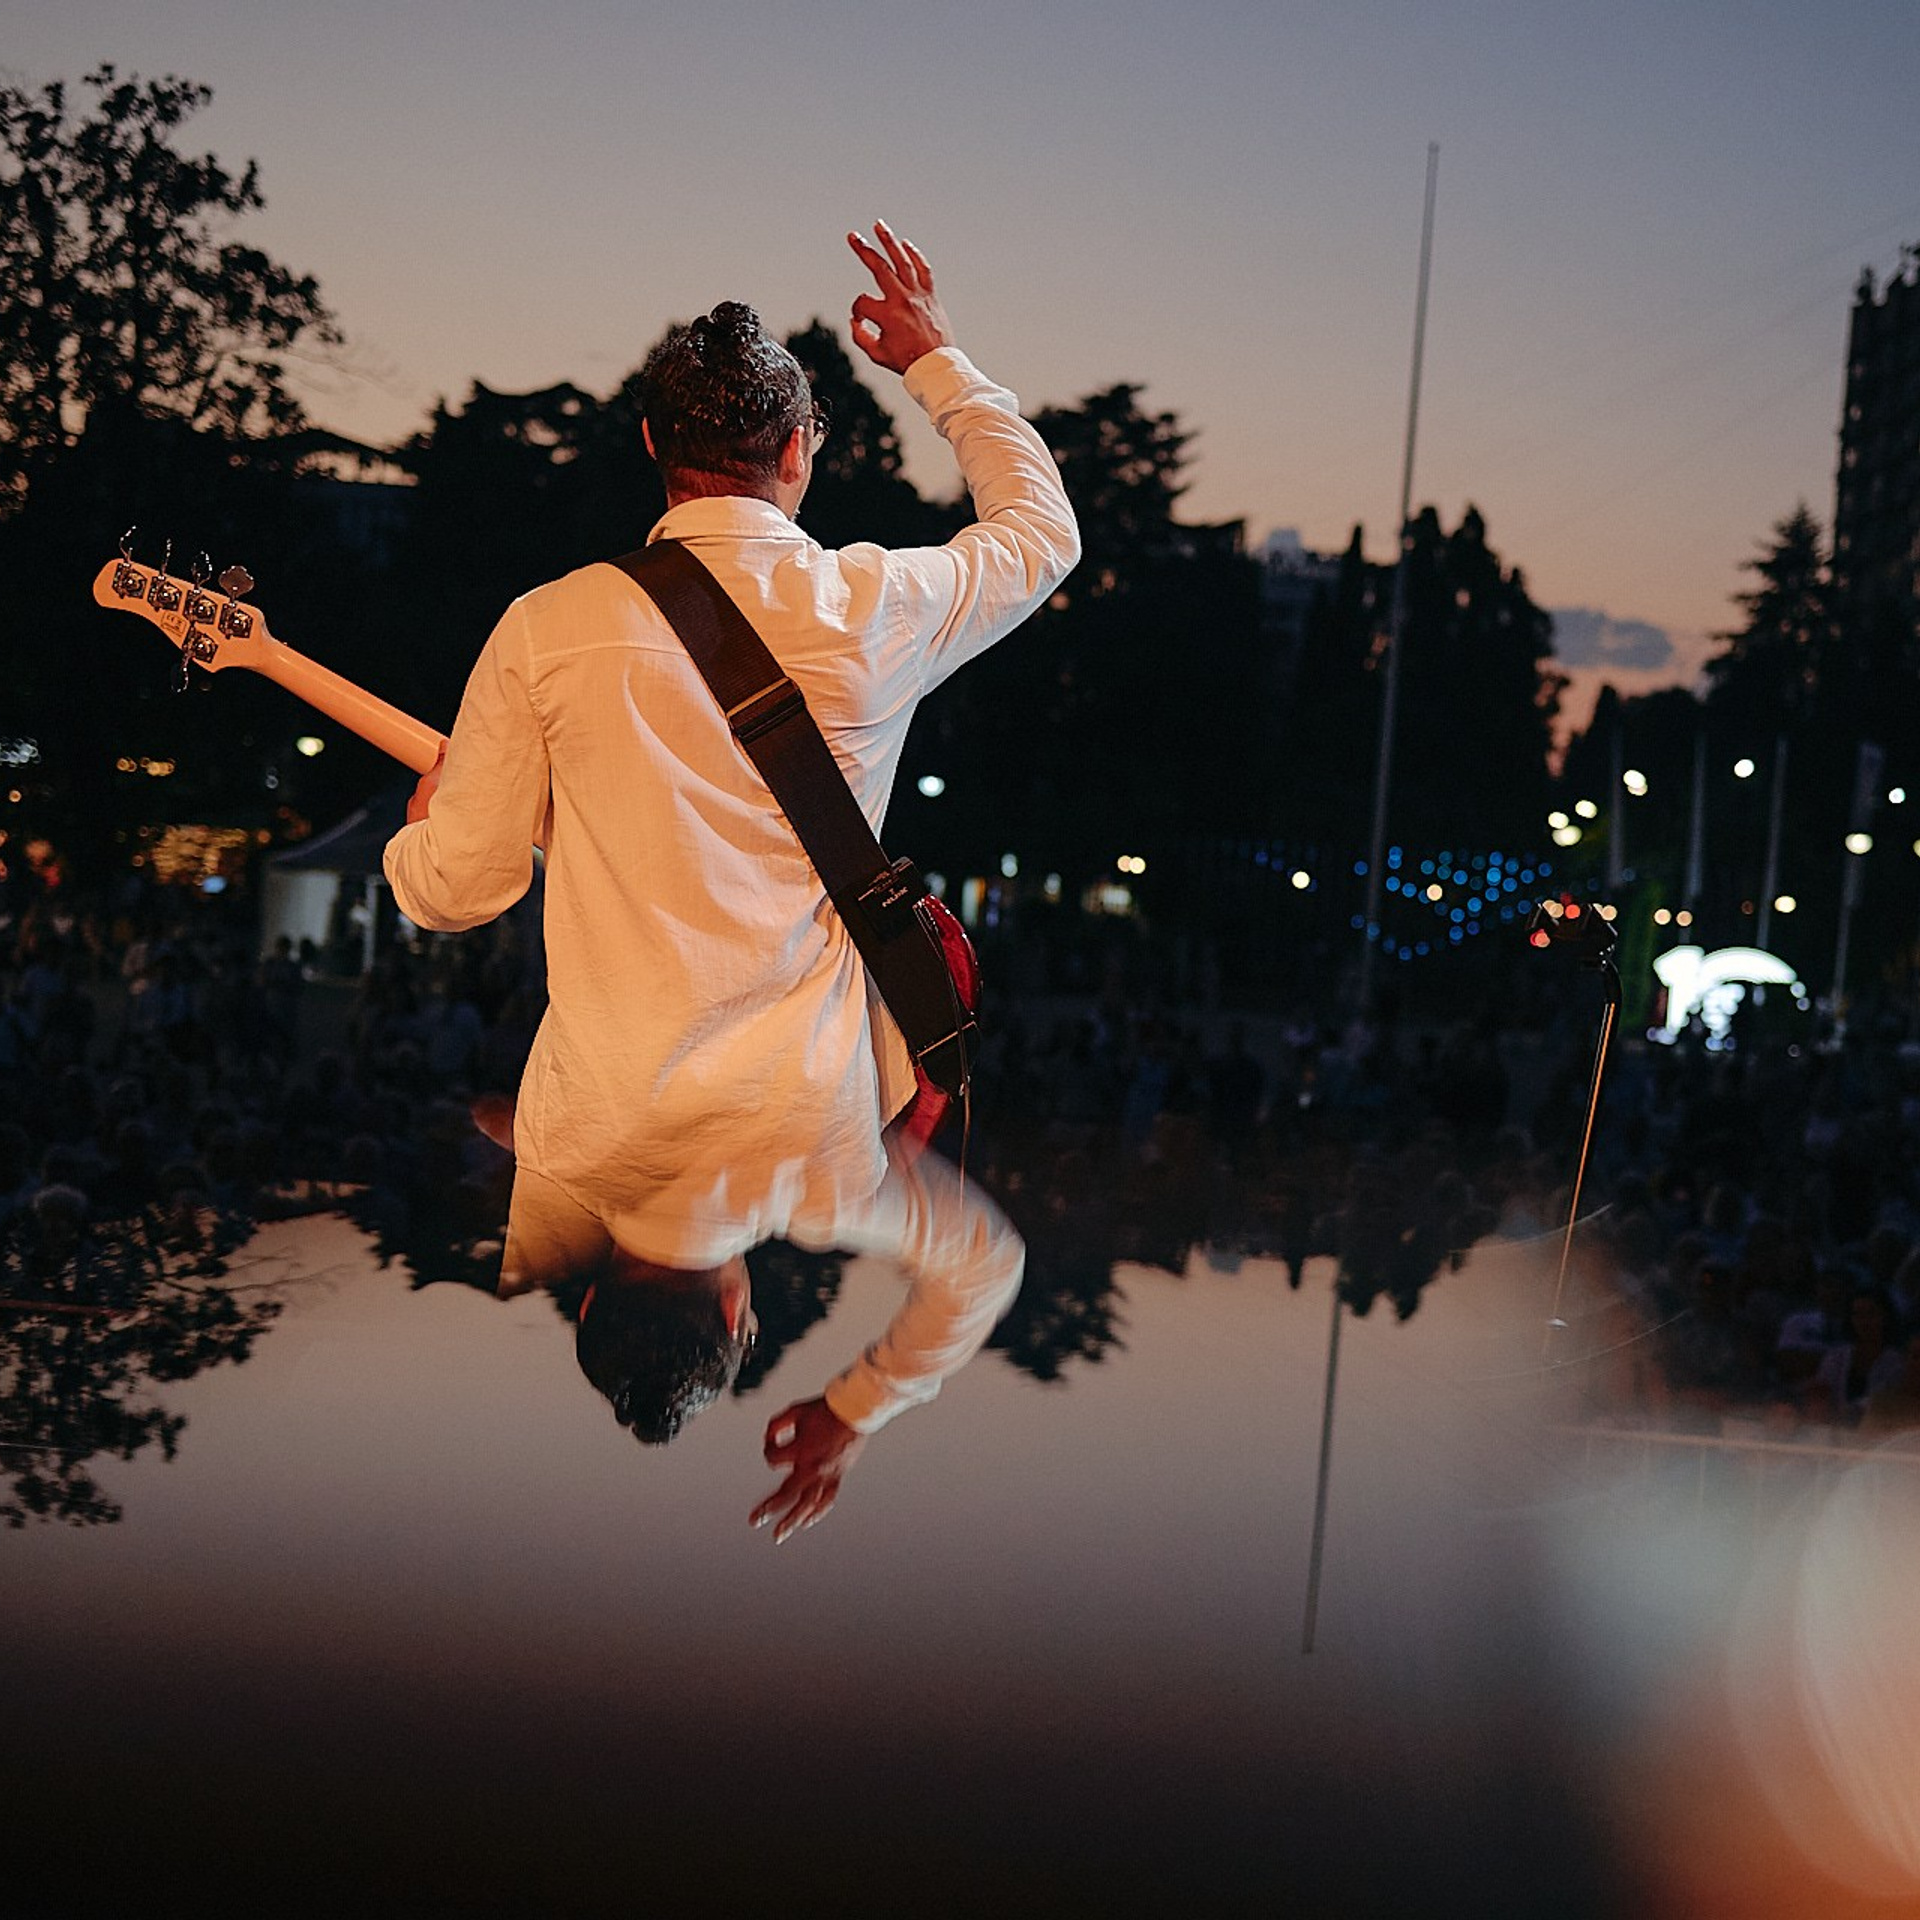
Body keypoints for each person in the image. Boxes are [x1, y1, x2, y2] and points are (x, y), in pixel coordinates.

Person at [384, 221, 1079, 1542]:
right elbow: (1042, 533)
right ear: (801, 453)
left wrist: (859, 1403)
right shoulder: (871, 606)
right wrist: (938, 362)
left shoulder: (552, 629)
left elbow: (455, 887)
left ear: (652, 445)